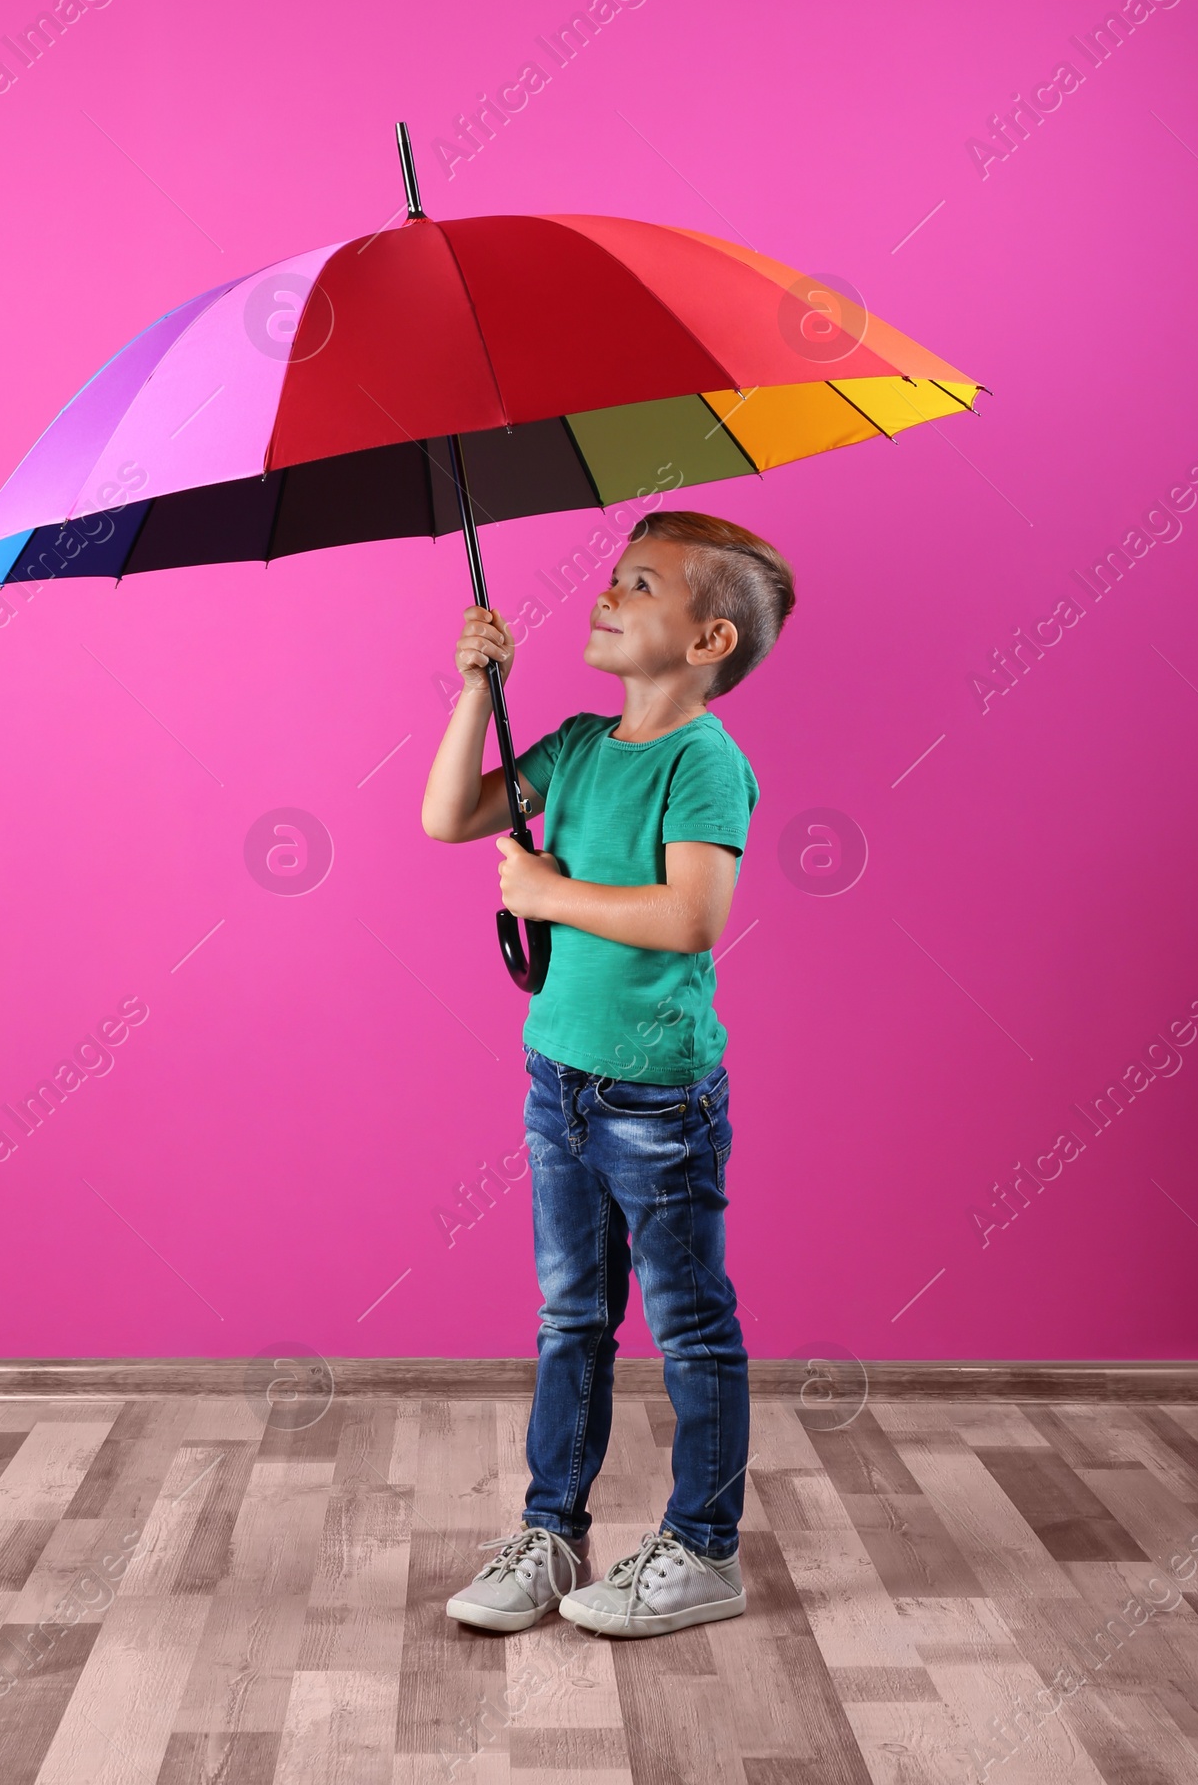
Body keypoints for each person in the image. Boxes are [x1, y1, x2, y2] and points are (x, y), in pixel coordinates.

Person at [420, 508, 796, 1639]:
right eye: (615, 576)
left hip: (656, 1097)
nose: (606, 593)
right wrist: (478, 691)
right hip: (560, 1082)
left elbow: (689, 918)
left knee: (688, 1323)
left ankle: (703, 1547)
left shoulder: (704, 761)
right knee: (571, 1314)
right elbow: (450, 815)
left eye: (639, 584)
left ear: (706, 642)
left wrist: (543, 896)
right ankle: (554, 1527)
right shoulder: (579, 746)